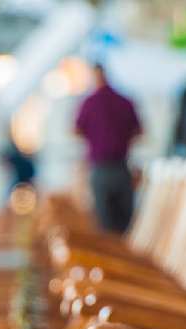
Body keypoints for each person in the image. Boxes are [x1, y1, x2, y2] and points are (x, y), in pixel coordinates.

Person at [74, 64, 142, 234]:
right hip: (121, 167)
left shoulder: (89, 103)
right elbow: (139, 131)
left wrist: (94, 137)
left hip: (101, 168)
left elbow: (77, 130)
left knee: (104, 223)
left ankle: (110, 250)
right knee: (124, 224)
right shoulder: (124, 101)